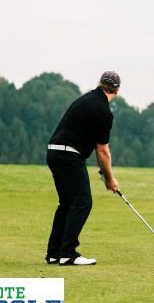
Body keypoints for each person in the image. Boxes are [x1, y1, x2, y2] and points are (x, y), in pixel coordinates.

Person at [45, 71, 121, 265]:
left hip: (54, 152)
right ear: (117, 91)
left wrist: (106, 174)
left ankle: (55, 253)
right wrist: (110, 179)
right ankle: (68, 253)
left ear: (99, 83)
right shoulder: (103, 110)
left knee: (67, 204)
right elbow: (102, 150)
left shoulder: (86, 99)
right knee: (82, 202)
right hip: (69, 155)